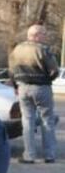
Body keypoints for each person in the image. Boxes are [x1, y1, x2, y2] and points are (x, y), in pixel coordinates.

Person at [9, 23, 59, 163]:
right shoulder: (43, 49)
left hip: (23, 88)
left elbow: (12, 71)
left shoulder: (17, 49)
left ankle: (29, 155)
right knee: (47, 120)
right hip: (42, 88)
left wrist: (15, 85)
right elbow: (54, 71)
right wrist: (47, 79)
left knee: (27, 121)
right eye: (43, 34)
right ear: (36, 35)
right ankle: (49, 155)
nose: (45, 36)